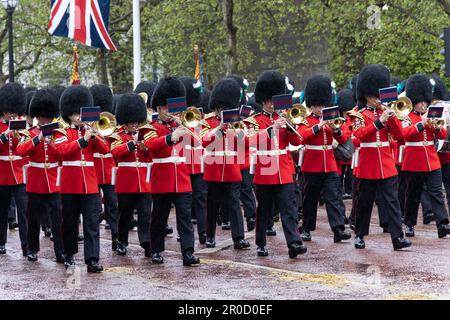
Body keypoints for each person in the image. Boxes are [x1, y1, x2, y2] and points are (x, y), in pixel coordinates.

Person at [351, 64, 411, 250]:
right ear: (367, 96)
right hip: (368, 164)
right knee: (365, 203)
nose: (378, 98)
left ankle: (397, 238)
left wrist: (391, 117)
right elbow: (360, 134)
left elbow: (400, 135)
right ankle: (360, 235)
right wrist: (380, 121)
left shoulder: (386, 112)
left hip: (386, 163)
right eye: (375, 95)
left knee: (392, 202)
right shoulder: (358, 114)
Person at [144, 76, 200, 266]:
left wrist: (184, 126)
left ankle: (188, 253)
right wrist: (170, 137)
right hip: (163, 179)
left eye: (171, 107)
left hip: (182, 179)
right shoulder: (151, 127)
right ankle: (157, 250)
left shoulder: (180, 126)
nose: (169, 111)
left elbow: (198, 142)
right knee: (159, 217)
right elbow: (151, 144)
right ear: (159, 108)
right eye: (166, 108)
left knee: (184, 218)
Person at [250, 70, 306, 258]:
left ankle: (294, 243)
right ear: (264, 101)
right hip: (265, 168)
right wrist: (272, 129)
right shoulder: (255, 121)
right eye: (271, 100)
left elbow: (297, 142)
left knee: (289, 209)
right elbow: (251, 142)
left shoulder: (284, 118)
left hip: (284, 168)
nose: (274, 104)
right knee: (264, 210)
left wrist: (290, 125)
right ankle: (260, 243)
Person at [53, 85, 108, 272]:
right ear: (69, 114)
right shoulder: (60, 133)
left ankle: (92, 259)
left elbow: (105, 149)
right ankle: (69, 254)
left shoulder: (91, 130)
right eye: (76, 114)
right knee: (69, 223)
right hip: (70, 185)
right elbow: (63, 151)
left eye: (81, 113)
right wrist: (83, 140)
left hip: (91, 185)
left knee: (92, 223)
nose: (79, 117)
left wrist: (94, 135)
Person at [298, 76, 351, 243]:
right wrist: (318, 126)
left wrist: (335, 130)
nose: (320, 108)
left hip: (329, 164)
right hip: (312, 164)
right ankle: (306, 229)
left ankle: (338, 229)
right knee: (310, 199)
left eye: (323, 105)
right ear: (311, 105)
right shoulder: (305, 120)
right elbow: (301, 137)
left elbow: (344, 138)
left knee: (333, 198)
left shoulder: (333, 118)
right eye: (317, 106)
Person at [202, 78, 250, 250]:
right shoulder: (207, 123)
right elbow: (204, 142)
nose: (224, 110)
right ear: (216, 107)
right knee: (212, 204)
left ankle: (238, 238)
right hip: (214, 169)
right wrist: (220, 129)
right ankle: (210, 236)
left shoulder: (236, 122)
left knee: (234, 204)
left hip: (232, 169)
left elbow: (245, 147)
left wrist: (241, 134)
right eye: (221, 107)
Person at [16, 88, 64, 263]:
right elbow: (20, 151)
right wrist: (37, 139)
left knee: (58, 219)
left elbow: (62, 154)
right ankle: (32, 249)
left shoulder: (58, 134)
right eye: (43, 117)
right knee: (33, 218)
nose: (46, 120)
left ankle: (60, 251)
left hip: (53, 181)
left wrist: (52, 143)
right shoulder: (29, 134)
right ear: (37, 116)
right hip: (36, 182)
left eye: (48, 117)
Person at [401, 74, 450, 238]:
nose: (423, 104)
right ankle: (409, 224)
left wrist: (435, 126)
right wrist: (422, 123)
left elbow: (443, 135)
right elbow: (405, 134)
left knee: (436, 193)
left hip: (432, 160)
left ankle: (442, 224)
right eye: (420, 101)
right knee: (413, 195)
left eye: (425, 101)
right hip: (414, 160)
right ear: (414, 101)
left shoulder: (432, 114)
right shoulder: (406, 116)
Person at [110, 94, 152, 257]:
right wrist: (131, 143)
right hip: (126, 181)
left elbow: (150, 157)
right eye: (132, 122)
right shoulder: (117, 136)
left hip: (143, 180)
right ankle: (122, 241)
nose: (135, 125)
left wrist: (144, 148)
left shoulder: (144, 134)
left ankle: (146, 242)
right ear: (125, 121)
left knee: (145, 213)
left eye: (137, 122)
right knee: (125, 214)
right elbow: (116, 152)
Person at [90, 84, 119, 250]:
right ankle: (94, 241)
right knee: (94, 208)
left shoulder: (111, 122)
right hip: (93, 170)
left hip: (108, 170)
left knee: (112, 205)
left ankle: (116, 237)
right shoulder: (89, 124)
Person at [0, 83, 28, 256]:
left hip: (19, 173)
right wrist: (4, 135)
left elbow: (26, 148)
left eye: (14, 111)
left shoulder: (21, 125)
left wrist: (19, 136)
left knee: (24, 211)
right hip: (2, 173)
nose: (12, 114)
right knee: (2, 210)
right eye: (9, 111)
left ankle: (27, 244)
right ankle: (1, 242)